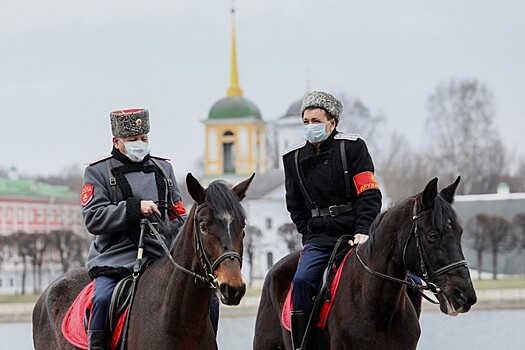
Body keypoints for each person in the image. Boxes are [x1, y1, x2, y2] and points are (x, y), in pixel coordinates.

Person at [80, 108, 198, 349]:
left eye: (144, 138)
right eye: (133, 140)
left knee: (205, 300)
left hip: (162, 257)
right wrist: (134, 209)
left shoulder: (164, 169)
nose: (140, 144)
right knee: (102, 300)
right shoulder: (98, 172)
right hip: (116, 259)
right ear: (117, 141)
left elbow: (178, 213)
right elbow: (93, 218)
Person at [282, 91, 382, 349]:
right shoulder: (291, 158)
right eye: (305, 122)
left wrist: (363, 230)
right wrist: (308, 233)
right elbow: (294, 204)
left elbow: (369, 193)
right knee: (302, 281)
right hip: (319, 237)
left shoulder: (353, 147)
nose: (310, 126)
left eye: (315, 121)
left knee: (408, 278)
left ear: (332, 123)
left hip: (356, 233)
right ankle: (302, 345)